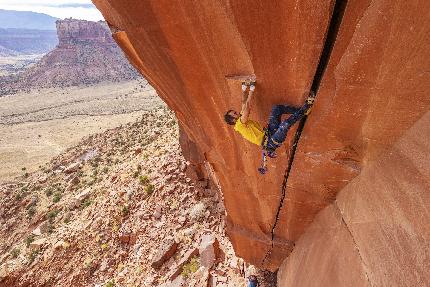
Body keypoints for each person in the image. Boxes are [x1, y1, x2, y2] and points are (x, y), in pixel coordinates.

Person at [224, 82, 314, 160]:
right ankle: (305, 109)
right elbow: (247, 108)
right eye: (235, 113)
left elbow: (243, 103)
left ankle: (301, 111)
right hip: (271, 142)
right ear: (233, 120)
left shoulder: (240, 121)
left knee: (277, 108)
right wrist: (251, 90)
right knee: (285, 124)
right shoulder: (239, 125)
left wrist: (244, 89)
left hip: (269, 132)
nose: (237, 112)